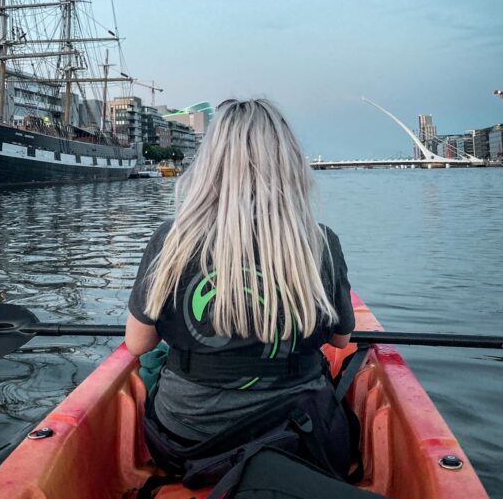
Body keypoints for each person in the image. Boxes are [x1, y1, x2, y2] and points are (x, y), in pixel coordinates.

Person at [125, 98, 356, 474]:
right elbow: (341, 341)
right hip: (300, 436)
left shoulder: (171, 239)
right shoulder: (320, 243)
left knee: (151, 364)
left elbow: (138, 344)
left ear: (209, 164)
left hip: (186, 440)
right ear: (288, 162)